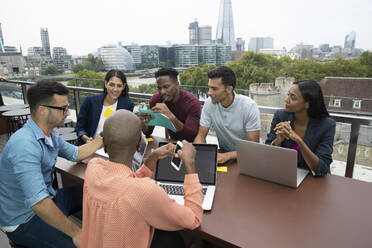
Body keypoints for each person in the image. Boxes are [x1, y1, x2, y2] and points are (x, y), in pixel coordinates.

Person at [0, 80, 103, 247]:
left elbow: (75, 154)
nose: (68, 113)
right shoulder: (24, 145)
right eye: (63, 108)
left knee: (97, 192)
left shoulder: (49, 134)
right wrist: (76, 233)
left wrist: (104, 138)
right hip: (23, 220)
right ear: (42, 110)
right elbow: (39, 203)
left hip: (49, 198)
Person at [81, 109, 203, 248]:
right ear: (140, 144)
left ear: (105, 146)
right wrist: (190, 165)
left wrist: (152, 158)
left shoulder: (93, 167)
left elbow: (123, 184)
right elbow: (193, 219)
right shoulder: (145, 191)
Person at [265, 79, 336, 176]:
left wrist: (299, 141)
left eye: (293, 97)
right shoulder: (281, 116)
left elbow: (322, 167)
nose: (286, 100)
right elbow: (267, 154)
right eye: (288, 95)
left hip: (312, 179)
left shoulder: (327, 125)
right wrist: (278, 141)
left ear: (307, 104)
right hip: (285, 175)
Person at [194, 66, 261, 164]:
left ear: (229, 89)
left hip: (248, 158)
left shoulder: (249, 106)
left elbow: (253, 147)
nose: (209, 93)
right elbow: (200, 135)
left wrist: (228, 156)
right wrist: (199, 154)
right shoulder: (209, 103)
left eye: (214, 89)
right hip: (224, 155)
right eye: (209, 87)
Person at [138, 67, 201, 142]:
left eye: (166, 87)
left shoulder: (192, 102)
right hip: (172, 143)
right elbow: (148, 132)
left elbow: (191, 136)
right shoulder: (156, 99)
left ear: (177, 85)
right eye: (159, 88)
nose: (162, 92)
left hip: (193, 145)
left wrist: (170, 115)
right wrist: (142, 123)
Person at [75, 69, 134, 145]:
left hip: (112, 148)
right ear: (106, 84)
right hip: (89, 146)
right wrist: (87, 139)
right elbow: (79, 128)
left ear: (123, 86)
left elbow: (125, 132)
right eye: (112, 85)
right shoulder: (90, 101)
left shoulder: (127, 105)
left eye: (119, 86)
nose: (115, 89)